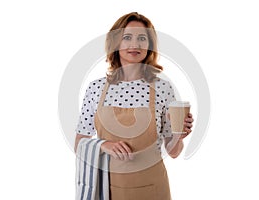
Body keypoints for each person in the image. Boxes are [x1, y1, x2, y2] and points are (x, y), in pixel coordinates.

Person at [75, 12, 194, 200]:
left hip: (153, 188)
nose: (135, 45)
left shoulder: (162, 88)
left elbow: (173, 152)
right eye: (127, 37)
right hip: (108, 189)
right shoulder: (96, 88)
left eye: (142, 38)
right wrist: (103, 144)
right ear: (115, 43)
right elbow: (79, 143)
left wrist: (179, 136)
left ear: (149, 45)